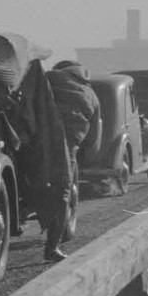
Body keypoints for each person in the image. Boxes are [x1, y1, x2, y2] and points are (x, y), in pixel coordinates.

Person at [42, 61, 101, 261]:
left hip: (35, 143)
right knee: (64, 194)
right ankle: (51, 248)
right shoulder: (91, 94)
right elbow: (93, 138)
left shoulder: (46, 80)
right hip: (66, 149)